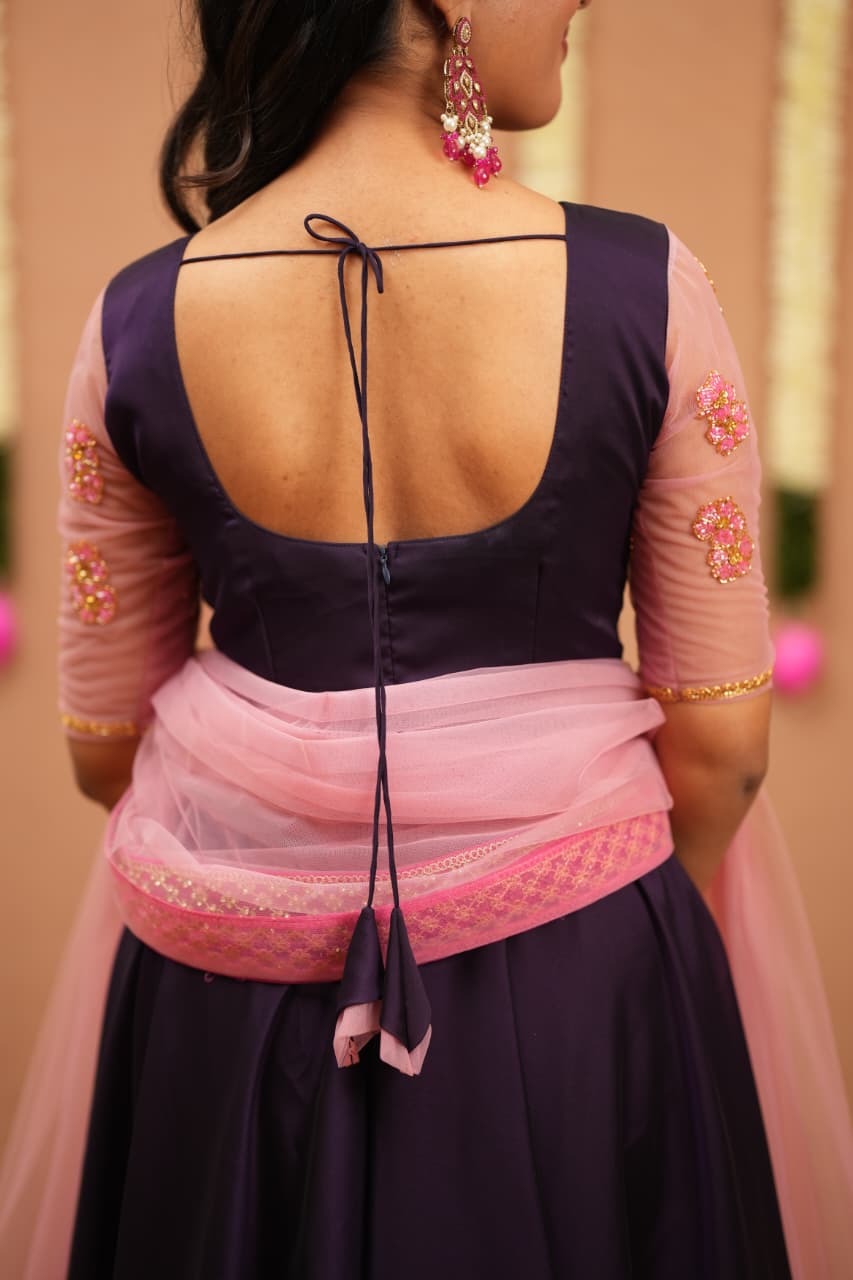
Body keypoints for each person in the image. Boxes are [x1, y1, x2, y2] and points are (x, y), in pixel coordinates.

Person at [2, 1, 853, 1276]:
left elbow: (105, 747)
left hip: (228, 1007)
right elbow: (721, 747)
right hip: (581, 990)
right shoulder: (645, 289)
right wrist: (567, 916)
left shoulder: (134, 323)